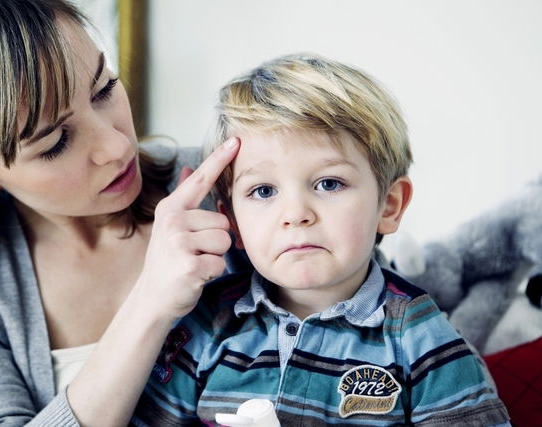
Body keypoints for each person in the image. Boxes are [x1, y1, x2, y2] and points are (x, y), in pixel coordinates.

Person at [0, 0, 244, 425]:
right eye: (55, 142)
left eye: (103, 89)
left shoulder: (238, 187)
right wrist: (150, 303)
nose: (117, 147)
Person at [132, 53, 511, 425]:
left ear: (389, 206)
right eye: (263, 191)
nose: (296, 214)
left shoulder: (425, 342)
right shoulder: (205, 324)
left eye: (329, 183)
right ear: (230, 220)